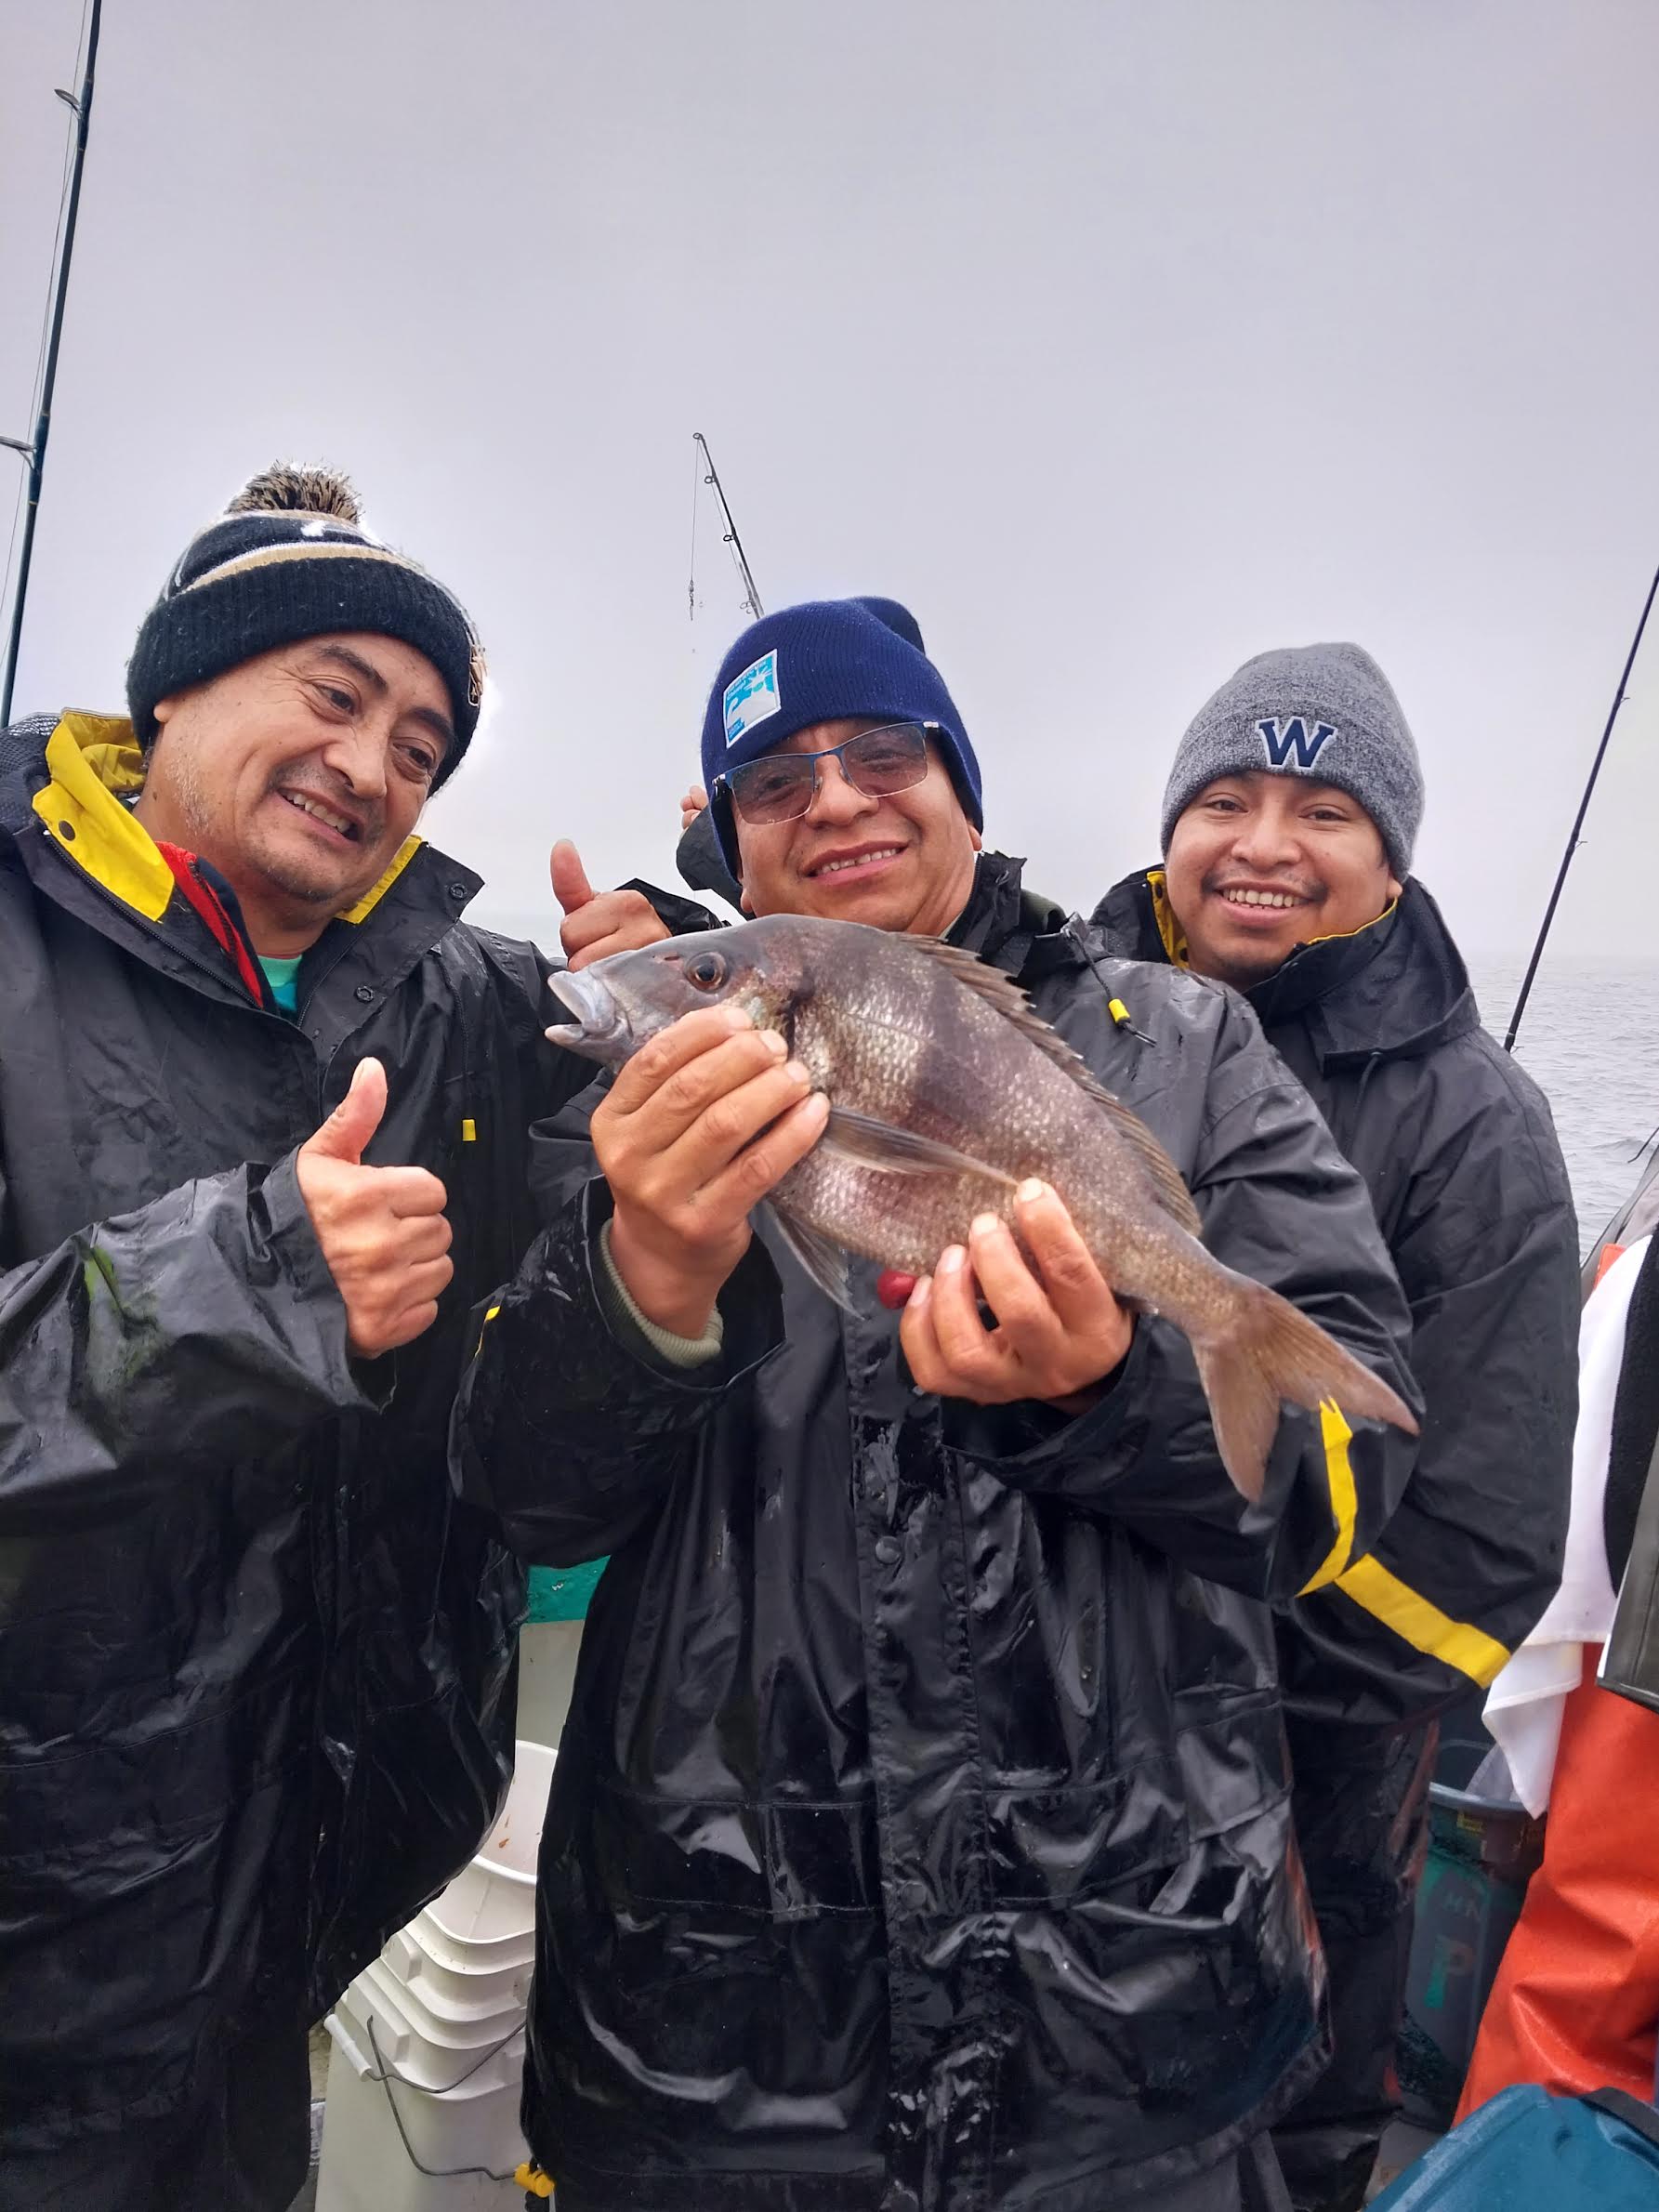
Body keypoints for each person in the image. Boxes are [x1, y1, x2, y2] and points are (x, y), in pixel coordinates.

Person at [453, 598, 1424, 2211]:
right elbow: (517, 1499)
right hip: (715, 2049)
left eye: (882, 753)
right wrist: (645, 1281)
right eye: (772, 781)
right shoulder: (619, 1116)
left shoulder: (1187, 1046)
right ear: (729, 857)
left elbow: (1342, 1495)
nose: (833, 798)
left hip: (1126, 2035)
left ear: (961, 786)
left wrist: (1113, 1392)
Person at [0, 466, 589, 2210]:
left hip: (289, 1921)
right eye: (332, 696)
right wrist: (243, 1276)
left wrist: (681, 959)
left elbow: (637, 1153)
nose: (371, 765)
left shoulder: (460, 996)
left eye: (419, 746)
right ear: (174, 682)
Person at [1090, 643, 1579, 2210]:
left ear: (1389, 862)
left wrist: (1227, 1695)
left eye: (1323, 809)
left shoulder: (1476, 1122)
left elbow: (1480, 1544)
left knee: (1270, 2137)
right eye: (1222, 797)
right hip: (1037, 1756)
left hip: (1305, 1780)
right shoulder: (1065, 1025)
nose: (1262, 844)